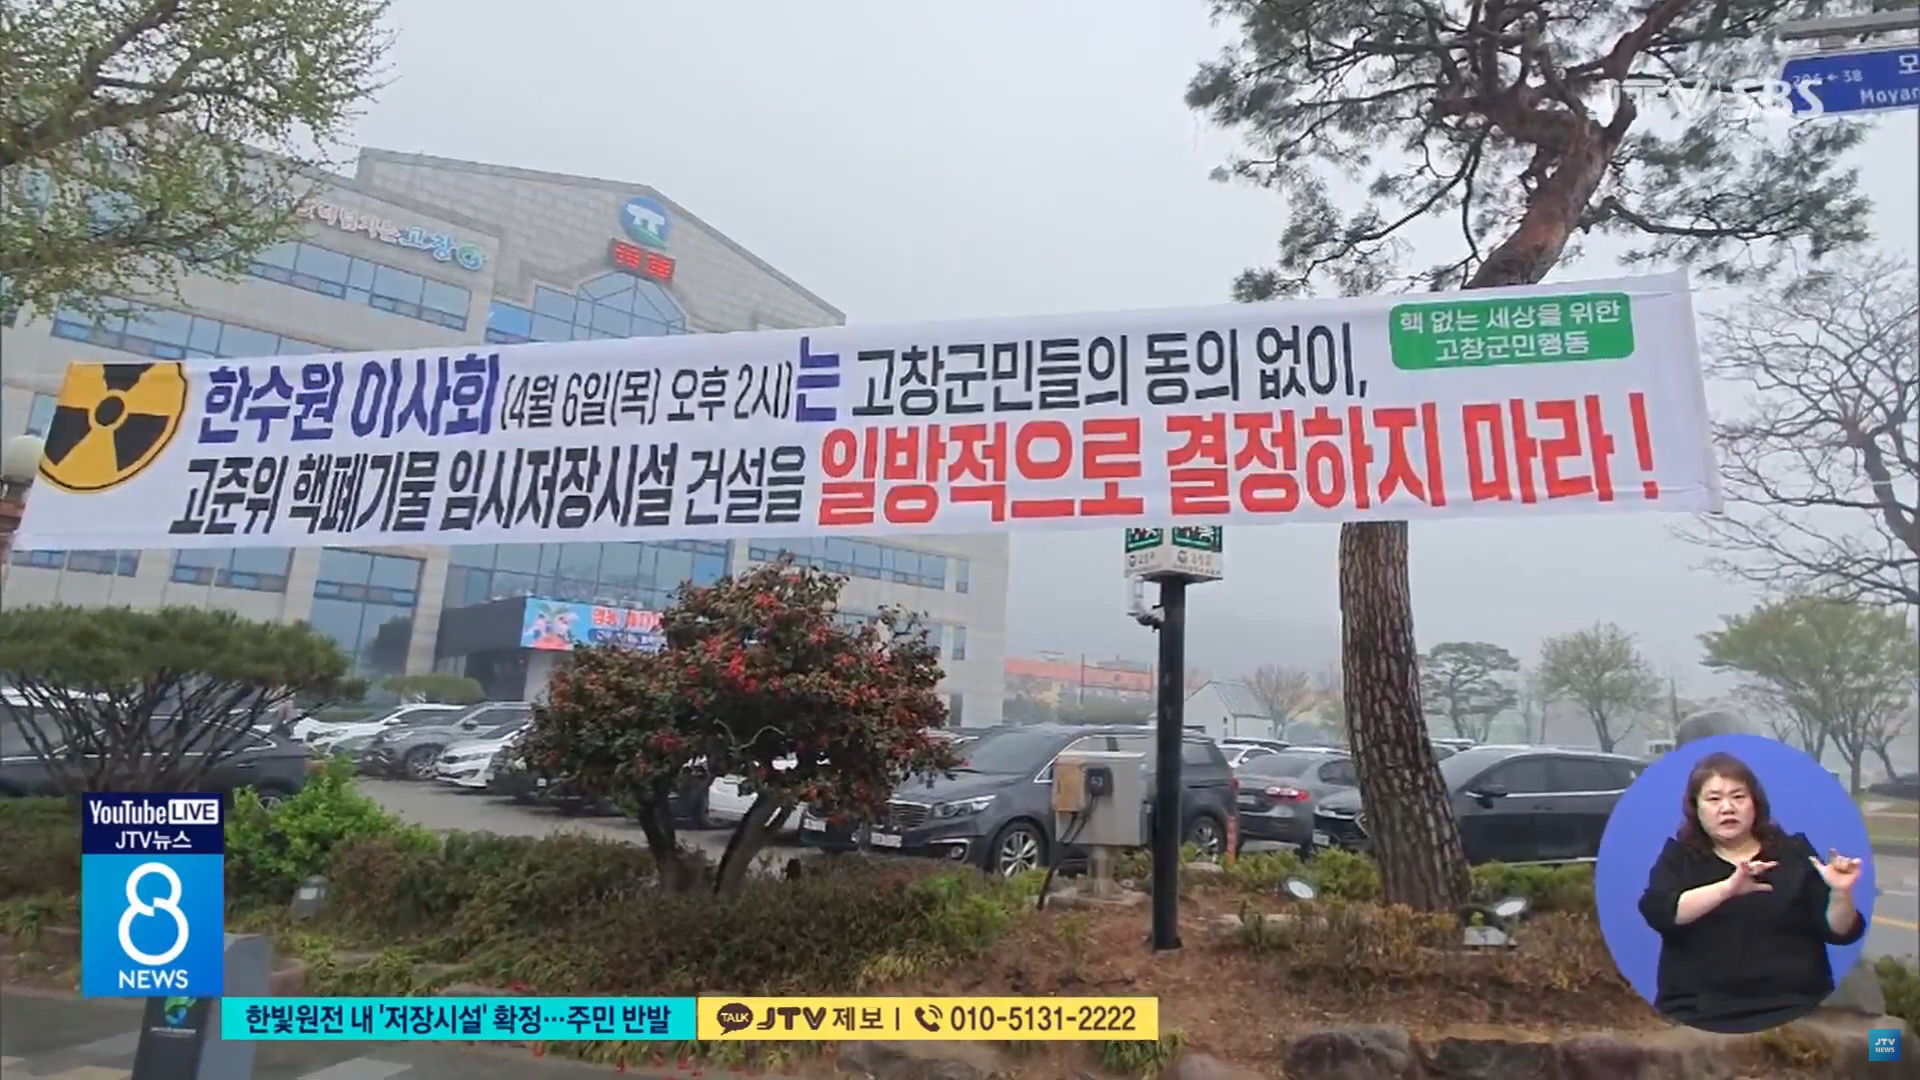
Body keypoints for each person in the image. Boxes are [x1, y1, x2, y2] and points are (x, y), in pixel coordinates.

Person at [1638, 750, 1866, 1033]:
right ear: (1696, 809)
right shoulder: (1679, 858)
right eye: (1714, 799)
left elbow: (1839, 931)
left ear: (1755, 804)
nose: (1727, 808)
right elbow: (1661, 912)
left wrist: (1841, 893)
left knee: (1883, 1045)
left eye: (1738, 796)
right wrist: (1727, 889)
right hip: (1700, 1012)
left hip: (1795, 1007)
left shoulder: (1792, 852)